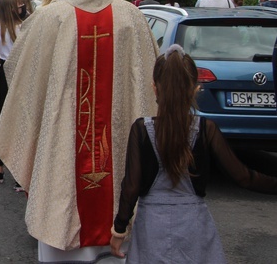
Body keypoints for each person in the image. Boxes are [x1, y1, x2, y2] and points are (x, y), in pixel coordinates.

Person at [0, 0, 158, 262]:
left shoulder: (48, 18)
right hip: (119, 171)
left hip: (63, 160)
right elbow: (149, 91)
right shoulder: (132, 18)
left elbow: (23, 84)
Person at [110, 45, 277, 262]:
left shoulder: (142, 130)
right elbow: (243, 176)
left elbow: (131, 186)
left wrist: (119, 228)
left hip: (152, 225)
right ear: (195, 89)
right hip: (194, 226)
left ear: (154, 88)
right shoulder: (206, 129)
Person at [0, 0, 23, 186]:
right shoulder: (25, 27)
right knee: (22, 120)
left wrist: (1, 58)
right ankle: (19, 175)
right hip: (22, 73)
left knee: (2, 119)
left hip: (5, 72)